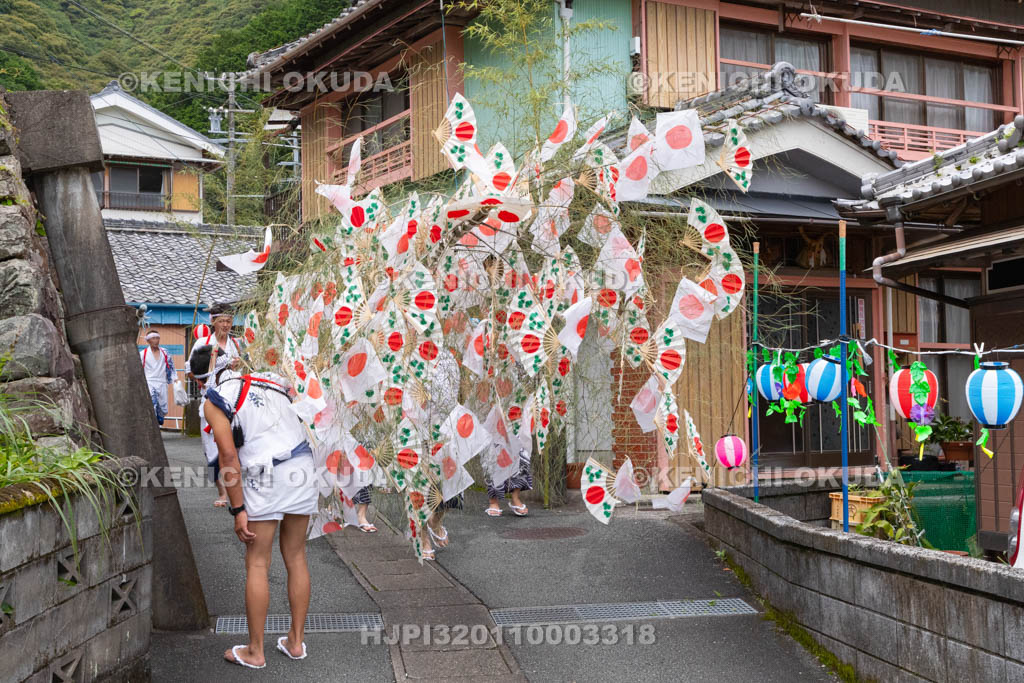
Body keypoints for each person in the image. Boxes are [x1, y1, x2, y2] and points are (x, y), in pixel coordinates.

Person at [191, 344, 317, 669]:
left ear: (198, 377)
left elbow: (229, 456)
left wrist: (237, 510)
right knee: (297, 554)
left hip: (266, 469)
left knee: (258, 562)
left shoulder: (215, 399)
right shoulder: (272, 381)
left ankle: (255, 650)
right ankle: (296, 642)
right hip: (303, 463)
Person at [189, 304, 243, 507]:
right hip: (212, 400)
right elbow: (192, 371)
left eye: (229, 321)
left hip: (234, 402)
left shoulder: (236, 344)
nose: (226, 325)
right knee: (212, 449)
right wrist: (221, 365)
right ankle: (222, 492)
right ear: (212, 322)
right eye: (222, 321)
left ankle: (236, 492)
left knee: (234, 448)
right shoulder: (203, 343)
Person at [140, 330, 174, 426]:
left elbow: (171, 367)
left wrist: (174, 379)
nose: (156, 340)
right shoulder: (143, 354)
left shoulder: (165, 352)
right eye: (153, 338)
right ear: (148, 340)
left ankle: (160, 415)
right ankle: (153, 426)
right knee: (152, 404)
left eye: (157, 338)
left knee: (163, 408)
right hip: (149, 381)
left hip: (162, 382)